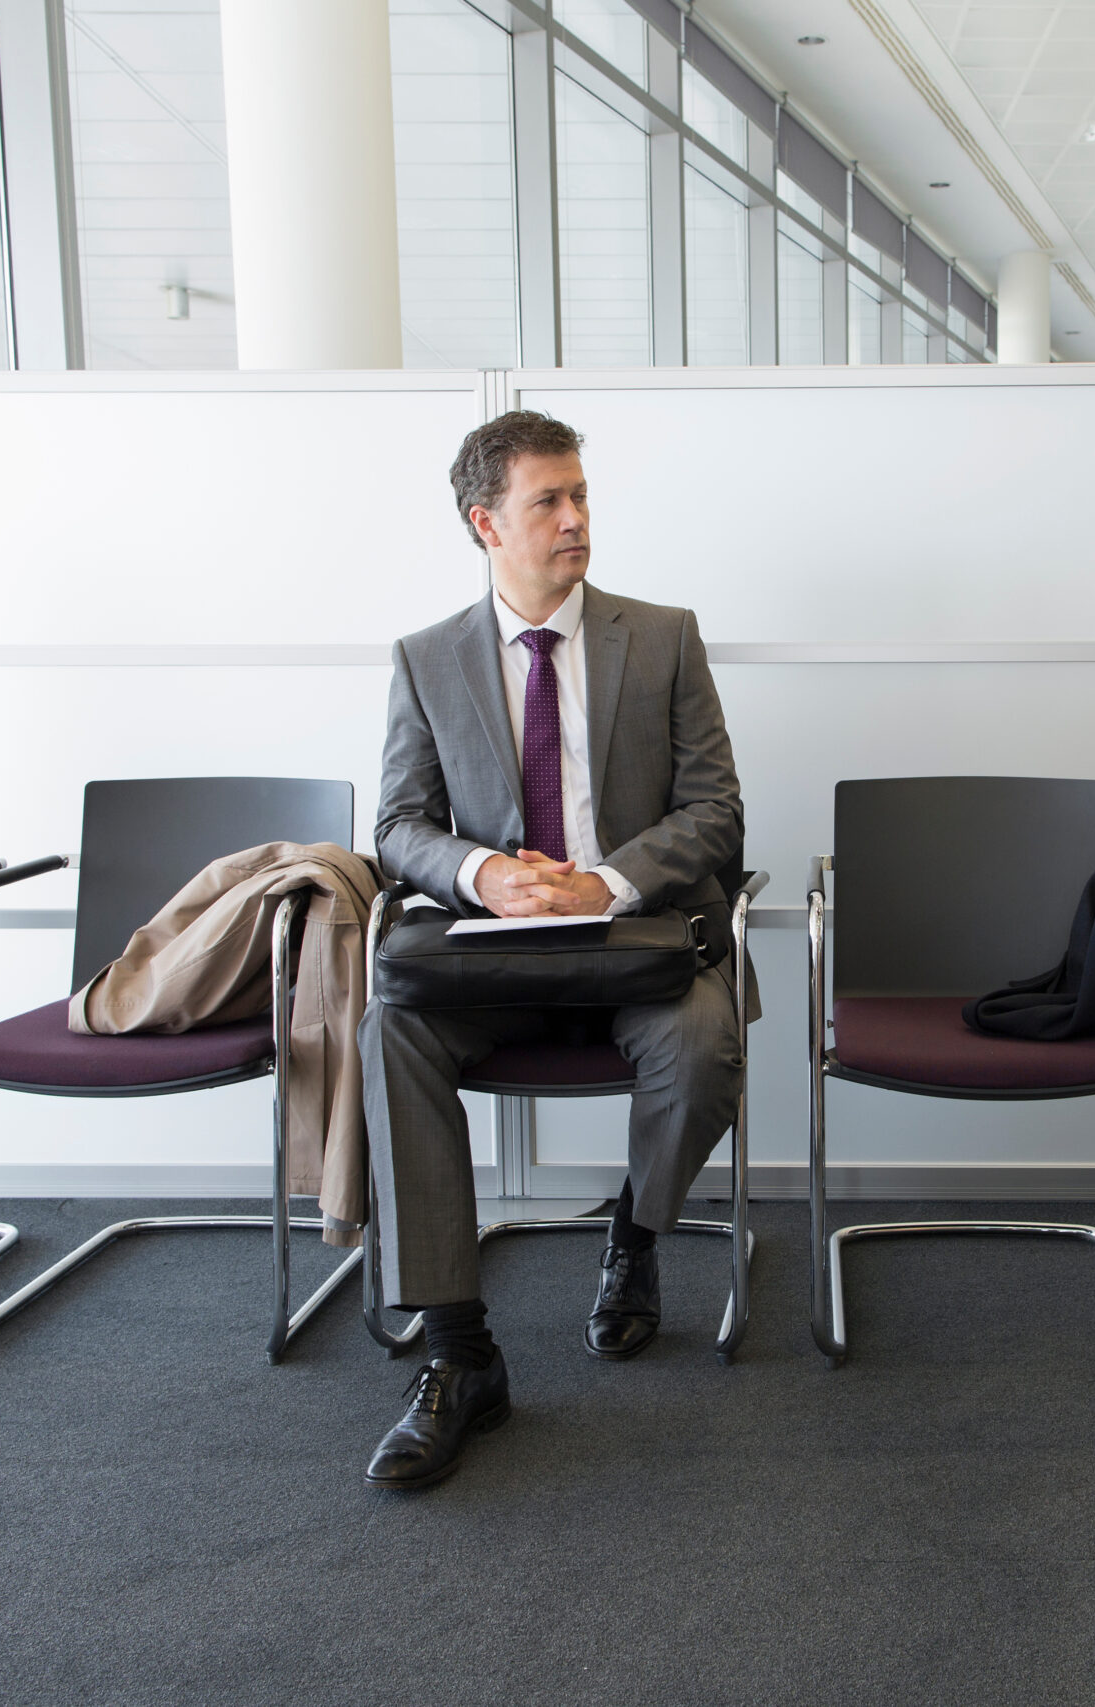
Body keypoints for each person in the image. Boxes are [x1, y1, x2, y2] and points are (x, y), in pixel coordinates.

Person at [362, 410, 748, 1490]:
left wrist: (606, 880)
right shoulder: (426, 658)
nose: (577, 519)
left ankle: (631, 1234)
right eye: (549, 501)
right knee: (389, 1030)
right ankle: (457, 1353)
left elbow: (716, 810)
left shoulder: (661, 635)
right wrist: (486, 875)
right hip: (492, 952)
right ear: (486, 523)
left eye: (581, 495)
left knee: (703, 1043)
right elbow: (398, 827)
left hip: (638, 940)